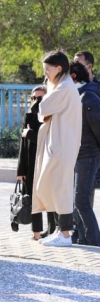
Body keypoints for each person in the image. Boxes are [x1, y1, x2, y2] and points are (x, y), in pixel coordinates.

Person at [33, 51, 82, 248]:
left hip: (61, 146)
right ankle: (59, 231)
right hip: (60, 144)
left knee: (59, 187)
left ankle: (64, 234)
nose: (45, 73)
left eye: (47, 69)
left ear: (59, 68)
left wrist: (44, 101)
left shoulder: (64, 88)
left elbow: (43, 108)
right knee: (53, 186)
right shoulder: (63, 86)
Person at [16, 85, 58, 240]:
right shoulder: (29, 116)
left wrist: (30, 133)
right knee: (33, 199)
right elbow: (23, 145)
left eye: (40, 98)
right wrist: (20, 170)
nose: (36, 101)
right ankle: (36, 233)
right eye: (33, 98)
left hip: (46, 163)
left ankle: (53, 230)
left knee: (49, 199)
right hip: (30, 165)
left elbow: (48, 140)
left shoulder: (52, 116)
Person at [68, 61, 100, 246]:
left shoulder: (88, 97)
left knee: (81, 200)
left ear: (73, 76)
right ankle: (82, 237)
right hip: (77, 155)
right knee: (77, 200)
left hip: (88, 155)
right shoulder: (75, 96)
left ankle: (93, 240)